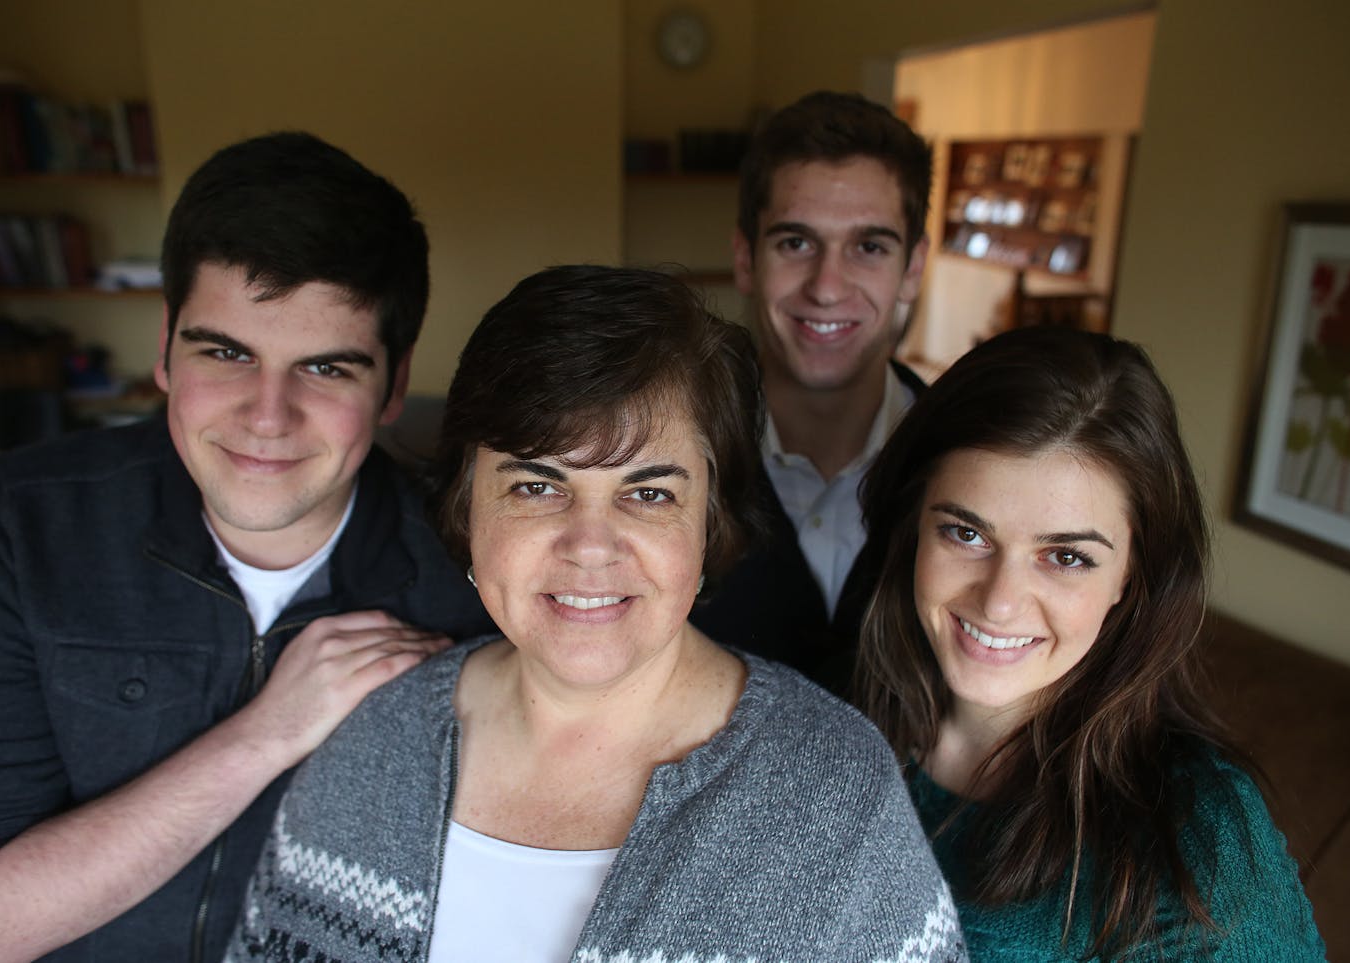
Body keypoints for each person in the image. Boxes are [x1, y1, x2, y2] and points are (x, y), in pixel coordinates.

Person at [227, 265, 966, 962]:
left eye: (649, 493)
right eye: (535, 485)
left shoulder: (834, 788)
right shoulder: (374, 741)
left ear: (710, 524)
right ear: (466, 508)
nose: (589, 546)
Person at [0, 132, 492, 962]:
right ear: (163, 347)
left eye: (327, 368)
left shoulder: (472, 575)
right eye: (226, 353)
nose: (267, 415)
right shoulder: (10, 532)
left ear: (395, 385)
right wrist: (266, 733)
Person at [854, 326, 1326, 960]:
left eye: (1067, 556)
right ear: (914, 527)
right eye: (966, 534)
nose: (999, 601)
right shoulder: (835, 718)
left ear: (1130, 578)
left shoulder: (1196, 831)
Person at [692, 90, 932, 695]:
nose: (827, 288)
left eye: (869, 247)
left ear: (913, 268)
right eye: (795, 243)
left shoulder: (969, 462)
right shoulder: (669, 454)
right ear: (746, 259)